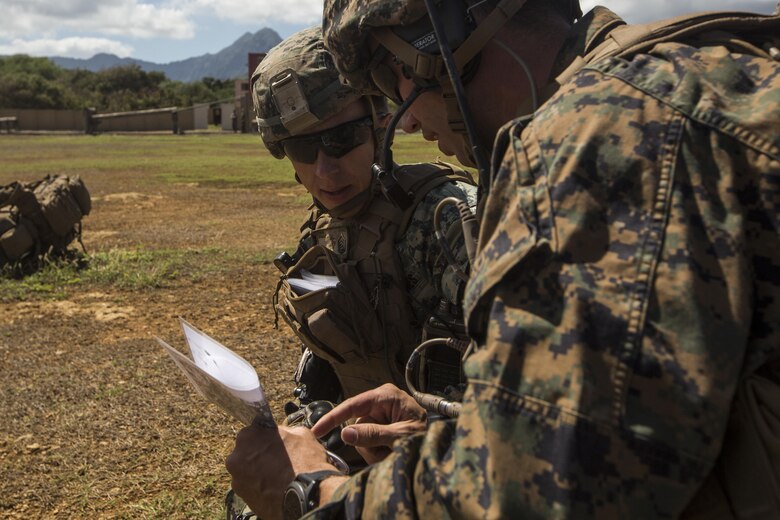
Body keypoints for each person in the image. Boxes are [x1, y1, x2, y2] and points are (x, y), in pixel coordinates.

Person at [227, 2, 780, 519]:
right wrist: (450, 429)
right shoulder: (692, 75)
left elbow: (544, 488)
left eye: (393, 69)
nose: (408, 119)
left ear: (450, 34)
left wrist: (318, 493)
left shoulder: (602, 133)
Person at [225, 25, 478, 517]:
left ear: (380, 121)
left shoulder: (450, 219)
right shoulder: (319, 237)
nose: (325, 170)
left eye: (341, 140)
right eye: (303, 150)